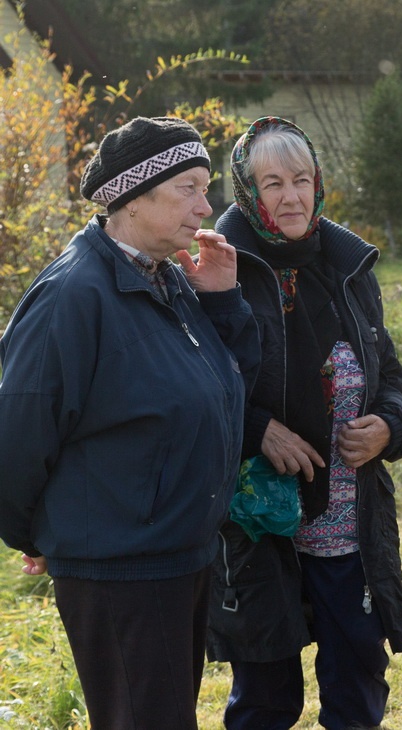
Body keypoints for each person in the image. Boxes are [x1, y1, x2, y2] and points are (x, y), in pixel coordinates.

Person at [0, 116, 260, 729]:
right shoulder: (73, 296)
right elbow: (17, 437)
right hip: (122, 568)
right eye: (188, 188)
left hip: (178, 553)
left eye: (206, 186)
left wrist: (223, 302)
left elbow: (225, 393)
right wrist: (42, 534)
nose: (207, 205)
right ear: (133, 196)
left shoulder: (168, 277)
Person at [205, 117, 402, 730]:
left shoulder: (347, 267)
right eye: (273, 184)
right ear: (247, 192)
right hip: (258, 522)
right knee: (267, 694)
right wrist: (259, 428)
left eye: (302, 180)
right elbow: (203, 388)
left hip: (347, 522)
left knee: (356, 677)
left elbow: (391, 376)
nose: (292, 197)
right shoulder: (221, 268)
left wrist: (387, 425)